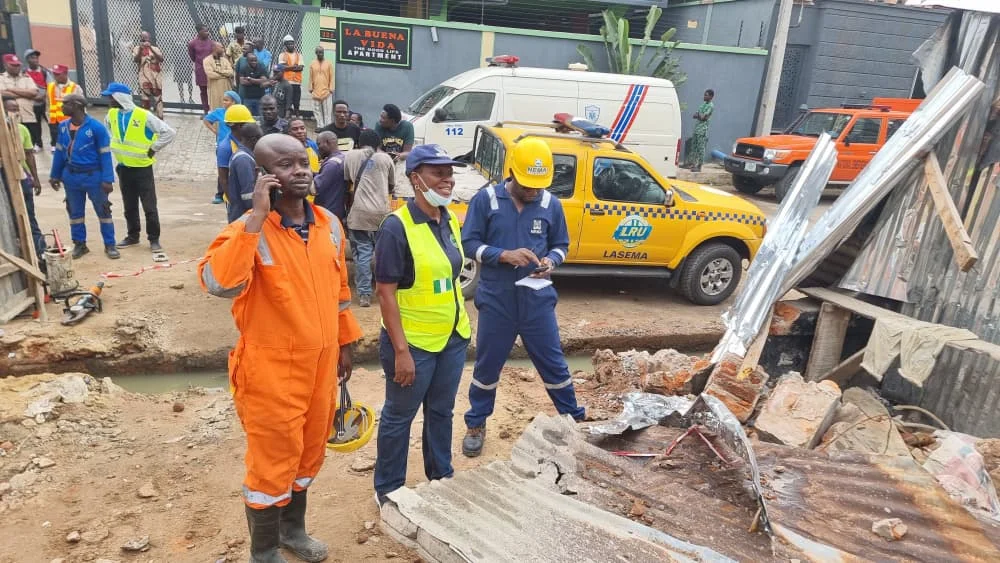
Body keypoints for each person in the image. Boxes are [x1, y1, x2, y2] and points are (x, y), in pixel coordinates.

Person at [198, 133, 362, 563]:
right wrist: (255, 218)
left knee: (308, 454)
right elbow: (221, 283)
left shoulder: (329, 224)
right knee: (272, 462)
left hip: (321, 367)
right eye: (286, 165)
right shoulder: (245, 231)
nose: (301, 171)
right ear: (265, 176)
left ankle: (293, 530)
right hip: (271, 372)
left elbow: (340, 292)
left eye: (302, 161)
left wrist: (345, 341)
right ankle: (264, 550)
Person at [460, 137, 585, 457]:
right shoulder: (485, 200)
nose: (533, 192)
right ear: (512, 172)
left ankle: (574, 421)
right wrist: (503, 255)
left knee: (554, 364)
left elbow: (562, 245)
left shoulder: (550, 205)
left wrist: (551, 262)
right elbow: (469, 243)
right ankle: (476, 422)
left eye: (539, 186)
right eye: (527, 185)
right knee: (487, 367)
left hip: (537, 301)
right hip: (497, 299)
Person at [372, 144, 471, 507]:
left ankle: (441, 476)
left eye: (450, 172)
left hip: (451, 338)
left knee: (442, 410)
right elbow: (385, 293)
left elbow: (449, 278)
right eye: (438, 173)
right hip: (412, 344)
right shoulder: (397, 228)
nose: (447, 180)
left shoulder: (448, 219)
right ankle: (389, 489)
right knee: (400, 416)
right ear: (415, 179)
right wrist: (401, 352)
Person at [103, 83, 176, 255]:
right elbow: (108, 129)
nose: (108, 100)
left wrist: (154, 148)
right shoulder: (112, 114)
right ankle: (133, 235)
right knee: (129, 205)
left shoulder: (143, 115)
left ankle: (154, 239)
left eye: (111, 97)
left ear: (120, 98)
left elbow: (169, 133)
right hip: (123, 168)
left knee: (149, 205)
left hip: (142, 169)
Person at [49, 93, 119, 260]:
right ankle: (80, 244)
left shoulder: (96, 128)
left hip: (93, 176)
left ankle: (110, 244)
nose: (61, 107)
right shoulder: (63, 126)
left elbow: (105, 155)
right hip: (71, 177)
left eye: (65, 104)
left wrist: (107, 179)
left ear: (76, 106)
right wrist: (55, 175)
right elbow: (59, 151)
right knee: (75, 212)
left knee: (103, 211)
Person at [344, 129, 395, 307]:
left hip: (359, 215)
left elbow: (347, 183)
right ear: (378, 144)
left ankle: (364, 295)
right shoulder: (385, 158)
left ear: (359, 142)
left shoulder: (349, 156)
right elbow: (391, 186)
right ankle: (386, 293)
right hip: (381, 215)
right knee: (383, 255)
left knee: (363, 256)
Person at [4, 95, 45, 258]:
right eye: (11, 109)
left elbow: (29, 155)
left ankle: (39, 252)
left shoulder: (22, 129)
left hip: (23, 178)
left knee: (29, 216)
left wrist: (35, 178)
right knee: (9, 219)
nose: (14, 113)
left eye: (16, 109)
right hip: (5, 180)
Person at [214, 103, 257, 206]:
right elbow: (223, 179)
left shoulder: (248, 141)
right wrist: (234, 204)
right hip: (236, 200)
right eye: (247, 123)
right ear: (239, 125)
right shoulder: (225, 147)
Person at [0, 55, 44, 150]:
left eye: (18, 65)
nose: (17, 67)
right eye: (13, 65)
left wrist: (11, 89)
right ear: (5, 65)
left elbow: (34, 93)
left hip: (28, 117)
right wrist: (25, 93)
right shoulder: (1, 78)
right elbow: (2, 93)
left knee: (29, 147)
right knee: (13, 147)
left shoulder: (26, 78)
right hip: (10, 119)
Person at [225, 120, 263, 223]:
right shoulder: (243, 160)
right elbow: (248, 195)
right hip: (243, 217)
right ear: (254, 140)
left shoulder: (245, 156)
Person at [314, 131, 347, 220]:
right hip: (337, 210)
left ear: (327, 143)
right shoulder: (342, 158)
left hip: (328, 212)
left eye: (319, 144)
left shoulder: (331, 164)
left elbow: (316, 187)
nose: (317, 148)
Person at [132, 31, 165, 118]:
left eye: (146, 37)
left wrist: (151, 48)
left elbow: (161, 59)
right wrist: (140, 49)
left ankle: (160, 118)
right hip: (144, 78)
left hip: (156, 78)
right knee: (145, 100)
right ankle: (146, 120)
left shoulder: (155, 48)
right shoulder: (137, 48)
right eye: (143, 38)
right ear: (140, 38)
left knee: (158, 99)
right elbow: (136, 60)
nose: (145, 40)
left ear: (149, 38)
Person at [46, 64, 78, 152]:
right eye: (54, 74)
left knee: (69, 136)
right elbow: (47, 102)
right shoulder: (50, 86)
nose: (55, 76)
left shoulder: (74, 87)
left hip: (68, 119)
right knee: (55, 134)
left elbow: (80, 104)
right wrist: (48, 115)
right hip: (53, 118)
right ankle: (54, 146)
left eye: (58, 74)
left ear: (65, 73)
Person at [22, 49, 49, 151]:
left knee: (51, 124)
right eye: (32, 58)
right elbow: (22, 88)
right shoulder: (24, 73)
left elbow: (50, 86)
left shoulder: (44, 71)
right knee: (36, 125)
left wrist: (44, 95)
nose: (36, 60)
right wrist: (33, 97)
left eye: (36, 57)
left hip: (45, 103)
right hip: (32, 103)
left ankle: (54, 143)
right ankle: (38, 144)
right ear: (27, 60)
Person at [684, 89, 715, 173]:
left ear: (711, 97)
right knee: (694, 147)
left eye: (706, 95)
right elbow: (695, 115)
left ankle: (699, 166)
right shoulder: (703, 104)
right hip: (697, 129)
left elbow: (703, 117)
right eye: (704, 95)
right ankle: (692, 164)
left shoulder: (711, 106)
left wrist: (700, 116)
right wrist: (699, 116)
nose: (704, 96)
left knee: (700, 149)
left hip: (702, 130)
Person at [188, 24, 215, 112]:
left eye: (208, 31)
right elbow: (192, 57)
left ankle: (214, 110)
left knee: (213, 91)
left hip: (211, 70)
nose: (208, 33)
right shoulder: (192, 43)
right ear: (199, 32)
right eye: (205, 31)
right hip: (200, 70)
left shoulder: (212, 43)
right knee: (203, 92)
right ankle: (206, 111)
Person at [277, 36, 304, 118]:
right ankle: (285, 118)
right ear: (285, 45)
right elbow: (282, 67)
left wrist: (288, 67)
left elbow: (301, 68)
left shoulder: (299, 55)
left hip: (296, 83)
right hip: (286, 82)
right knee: (286, 101)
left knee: (296, 102)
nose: (291, 45)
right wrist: (294, 67)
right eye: (288, 44)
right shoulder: (282, 55)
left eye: (292, 43)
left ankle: (297, 118)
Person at [204, 42, 235, 112]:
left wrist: (218, 71)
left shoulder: (225, 60)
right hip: (215, 89)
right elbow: (211, 75)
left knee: (228, 108)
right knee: (216, 108)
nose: (223, 49)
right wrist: (224, 75)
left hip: (226, 88)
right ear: (215, 48)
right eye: (221, 47)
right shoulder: (206, 60)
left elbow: (230, 72)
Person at [308, 47, 334, 128]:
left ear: (323, 53)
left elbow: (332, 77)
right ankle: (320, 126)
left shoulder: (328, 63)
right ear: (316, 53)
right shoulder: (312, 64)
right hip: (315, 91)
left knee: (327, 111)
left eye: (321, 52)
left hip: (326, 91)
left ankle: (328, 127)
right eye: (318, 52)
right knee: (317, 110)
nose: (320, 54)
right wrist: (310, 88)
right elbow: (310, 77)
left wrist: (331, 89)